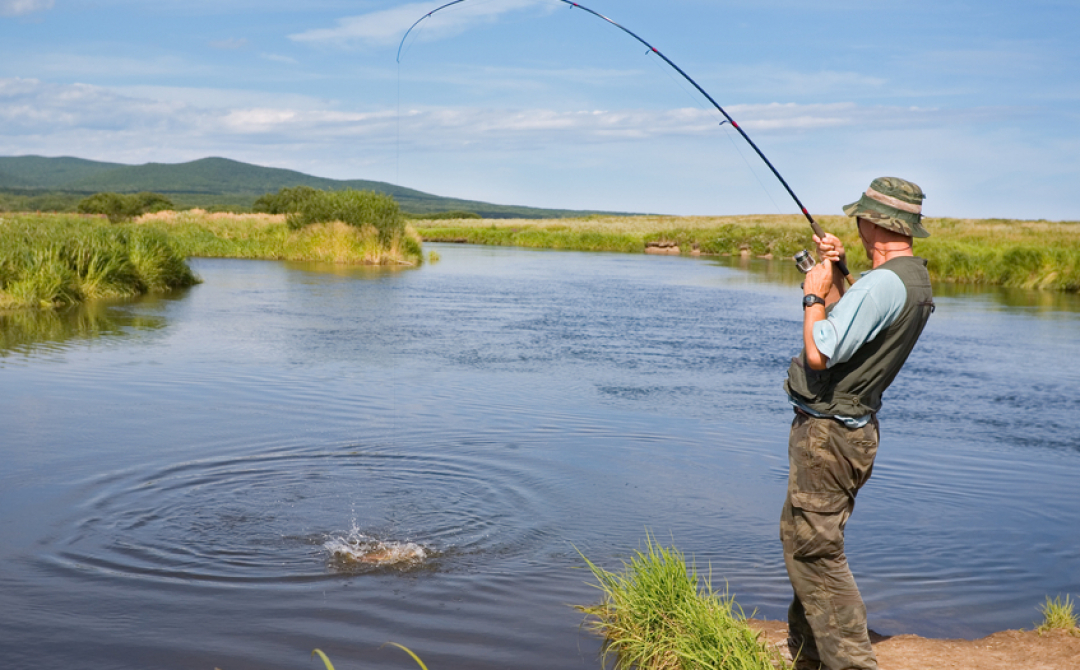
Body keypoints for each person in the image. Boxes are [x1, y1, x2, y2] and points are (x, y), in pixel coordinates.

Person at [780, 177, 935, 670]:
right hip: (848, 433)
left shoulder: (885, 283)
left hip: (829, 438)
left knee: (816, 554)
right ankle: (808, 657)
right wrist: (846, 271)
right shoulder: (907, 278)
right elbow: (866, 321)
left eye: (859, 217)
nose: (856, 223)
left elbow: (820, 351)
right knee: (805, 541)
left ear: (874, 223)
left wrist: (814, 294)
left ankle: (850, 664)